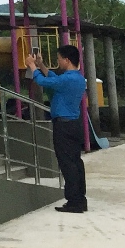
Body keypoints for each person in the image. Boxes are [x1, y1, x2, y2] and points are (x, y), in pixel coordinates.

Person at [28, 44, 88, 213]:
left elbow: (43, 81)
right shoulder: (77, 78)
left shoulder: (67, 79)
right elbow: (53, 78)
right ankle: (80, 198)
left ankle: (74, 201)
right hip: (74, 124)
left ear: (67, 60)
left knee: (67, 163)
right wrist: (41, 65)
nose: (58, 62)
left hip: (64, 125)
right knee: (76, 161)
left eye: (59, 59)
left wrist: (32, 66)